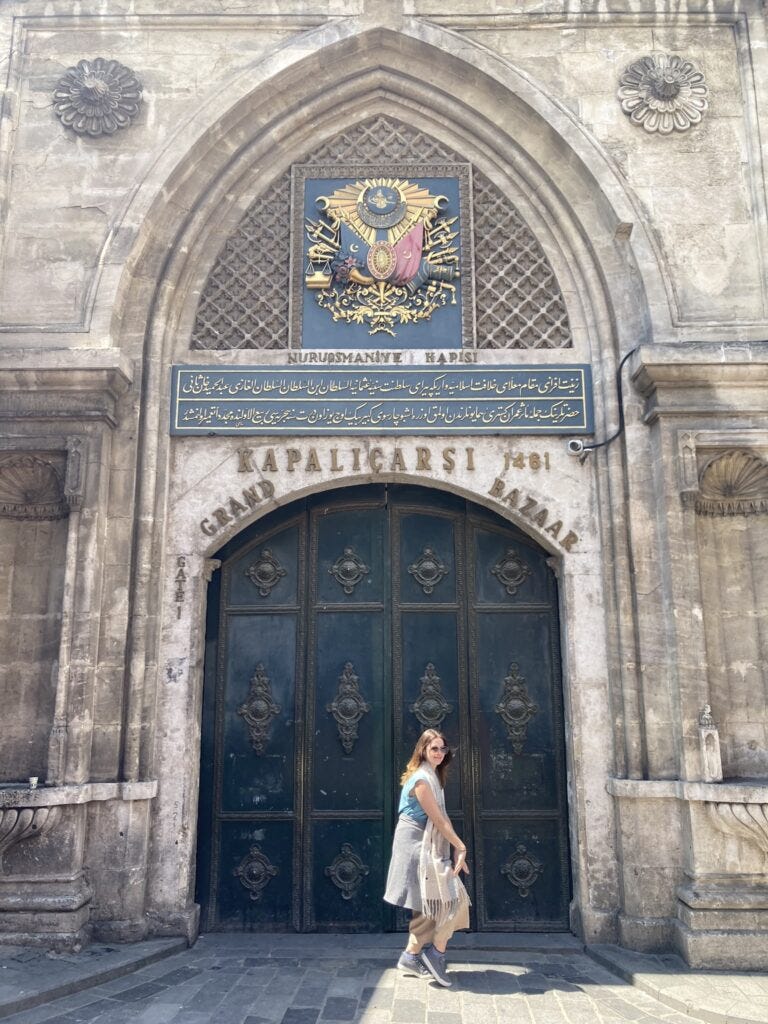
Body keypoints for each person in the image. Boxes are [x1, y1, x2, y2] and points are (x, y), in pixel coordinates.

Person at [383, 728, 470, 987]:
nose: (440, 753)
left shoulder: (433, 776)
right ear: (423, 750)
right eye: (434, 748)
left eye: (443, 749)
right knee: (445, 899)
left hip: (426, 843)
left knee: (429, 904)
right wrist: (460, 846)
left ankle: (412, 955)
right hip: (414, 845)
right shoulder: (422, 780)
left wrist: (455, 845)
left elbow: (443, 817)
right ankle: (434, 954)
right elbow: (438, 819)